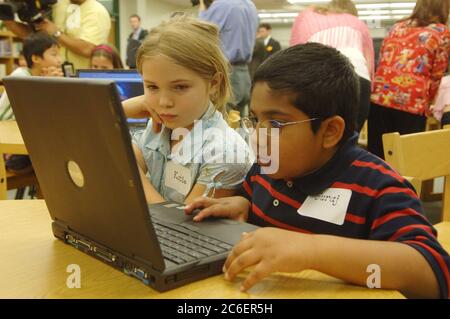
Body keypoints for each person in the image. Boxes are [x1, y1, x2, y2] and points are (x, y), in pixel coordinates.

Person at [184, 43, 450, 299]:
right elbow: (252, 193)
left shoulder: (377, 187)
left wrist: (311, 249)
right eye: (255, 119)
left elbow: (435, 276)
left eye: (276, 123)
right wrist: (242, 204)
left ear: (330, 131)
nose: (258, 136)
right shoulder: (269, 167)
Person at [122, 16, 253, 204]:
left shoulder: (226, 153)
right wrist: (121, 109)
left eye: (180, 87)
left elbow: (180, 228)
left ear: (214, 83)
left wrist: (130, 173)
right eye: (152, 87)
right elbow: (111, 160)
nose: (164, 102)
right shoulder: (158, 124)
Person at [369, 0, 450, 159]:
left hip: (379, 98)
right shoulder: (442, 32)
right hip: (411, 102)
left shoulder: (397, 27)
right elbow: (436, 75)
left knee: (377, 156)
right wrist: (429, 104)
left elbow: (383, 59)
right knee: (406, 160)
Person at [290, 0, 374, 133]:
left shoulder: (306, 17)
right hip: (359, 78)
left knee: (318, 135)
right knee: (350, 135)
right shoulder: (358, 23)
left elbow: (294, 55)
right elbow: (369, 61)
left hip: (319, 78)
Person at [0, 32, 62, 173]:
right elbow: (34, 114)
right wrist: (47, 87)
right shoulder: (20, 77)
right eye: (54, 54)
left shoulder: (42, 78)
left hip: (26, 140)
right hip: (8, 145)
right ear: (35, 58)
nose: (59, 60)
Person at [3, 0, 111, 70]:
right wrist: (11, 24)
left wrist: (56, 33)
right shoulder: (58, 5)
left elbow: (88, 49)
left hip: (83, 80)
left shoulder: (96, 11)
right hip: (54, 76)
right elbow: (37, 38)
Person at [198, 0, 258, 117]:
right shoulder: (250, 6)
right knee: (238, 121)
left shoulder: (222, 4)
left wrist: (202, 7)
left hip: (227, 72)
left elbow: (200, 32)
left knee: (222, 122)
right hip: (244, 73)